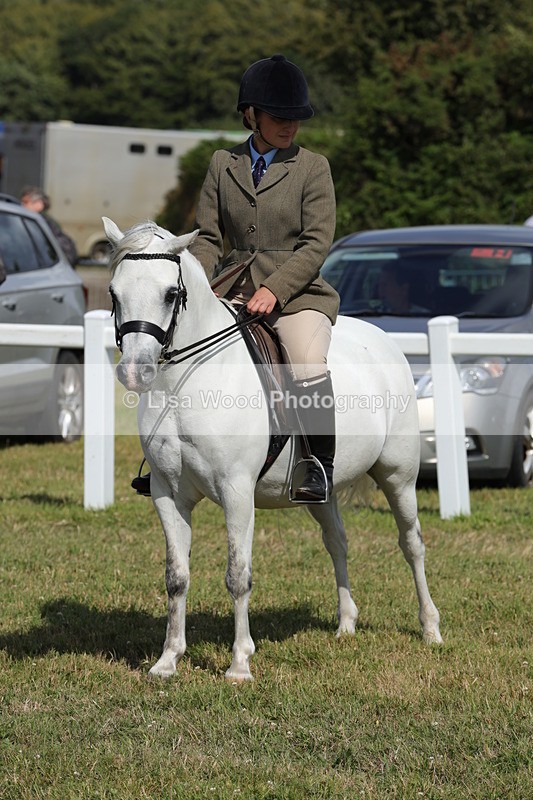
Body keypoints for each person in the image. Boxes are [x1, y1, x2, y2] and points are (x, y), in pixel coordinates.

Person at [132, 54, 339, 502]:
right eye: (280, 118)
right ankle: (164, 457)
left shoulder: (312, 167)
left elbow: (317, 243)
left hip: (298, 295)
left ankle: (317, 465)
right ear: (251, 115)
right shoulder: (222, 163)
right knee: (178, 346)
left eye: (295, 118)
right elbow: (208, 237)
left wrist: (275, 289)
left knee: (307, 362)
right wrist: (196, 286)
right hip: (231, 287)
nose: (290, 127)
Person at [20, 186, 78, 266]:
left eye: (26, 202)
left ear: (39, 204)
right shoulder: (36, 221)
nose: (22, 205)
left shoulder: (43, 223)